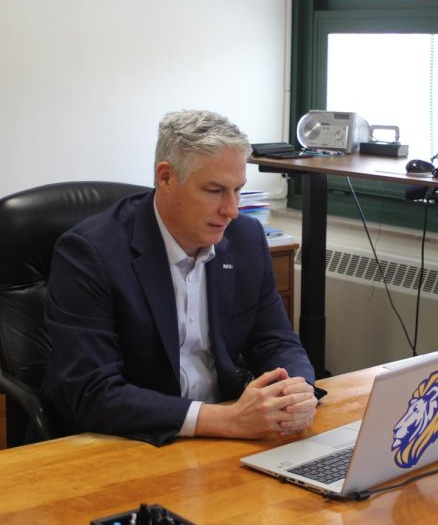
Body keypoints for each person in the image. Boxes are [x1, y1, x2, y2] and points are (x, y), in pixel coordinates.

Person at [41, 110, 318, 446]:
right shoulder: (89, 253)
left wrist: (295, 390)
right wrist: (226, 420)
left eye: (238, 190)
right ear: (167, 178)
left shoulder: (246, 239)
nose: (231, 210)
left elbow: (274, 339)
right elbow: (94, 393)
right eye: (215, 190)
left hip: (224, 434)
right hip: (128, 440)